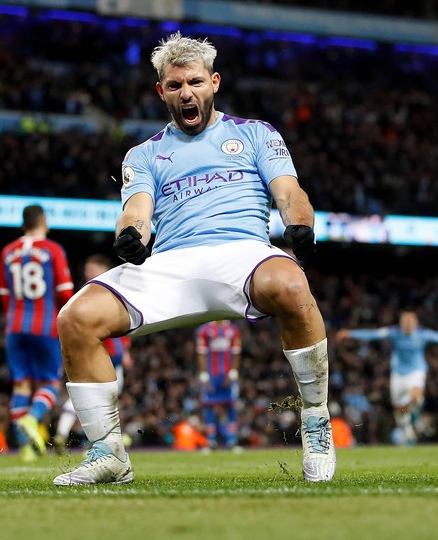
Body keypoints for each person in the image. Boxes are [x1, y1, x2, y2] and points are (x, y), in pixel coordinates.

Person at [53, 32, 336, 485]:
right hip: (171, 264)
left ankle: (317, 422)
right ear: (161, 91)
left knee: (291, 283)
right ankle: (109, 453)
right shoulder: (144, 154)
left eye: (196, 82)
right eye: (175, 85)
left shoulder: (255, 134)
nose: (187, 92)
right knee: (75, 318)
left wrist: (299, 223)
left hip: (243, 253)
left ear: (215, 83)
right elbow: (137, 209)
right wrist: (129, 235)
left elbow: (289, 192)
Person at [336, 310, 438, 445]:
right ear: (400, 323)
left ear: (415, 323)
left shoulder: (423, 334)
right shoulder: (394, 332)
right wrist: (350, 334)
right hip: (398, 374)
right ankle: (408, 429)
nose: (406, 324)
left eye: (410, 321)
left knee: (415, 395)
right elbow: (373, 334)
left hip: (416, 371)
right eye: (404, 321)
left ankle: (415, 417)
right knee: (400, 409)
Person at [0, 204, 74, 462]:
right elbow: (64, 292)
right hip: (45, 326)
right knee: (50, 383)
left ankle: (26, 449)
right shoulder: (52, 250)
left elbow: (4, 295)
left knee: (21, 384)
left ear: (23, 223)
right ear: (44, 221)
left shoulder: (7, 251)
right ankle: (31, 419)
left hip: (15, 326)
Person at [52, 253, 131, 454]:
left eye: (93, 267)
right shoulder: (91, 292)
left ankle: (96, 438)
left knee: (105, 396)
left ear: (104, 269)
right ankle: (75, 436)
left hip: (114, 354)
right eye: (87, 267)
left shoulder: (109, 289)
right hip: (97, 350)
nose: (88, 271)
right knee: (95, 393)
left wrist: (126, 350)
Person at [195, 320, 242, 452]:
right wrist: (204, 375)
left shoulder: (233, 329)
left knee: (231, 406)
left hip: (228, 374)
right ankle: (210, 441)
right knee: (209, 406)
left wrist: (233, 373)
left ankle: (232, 441)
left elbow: (236, 353)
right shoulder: (204, 330)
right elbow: (201, 353)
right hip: (211, 375)